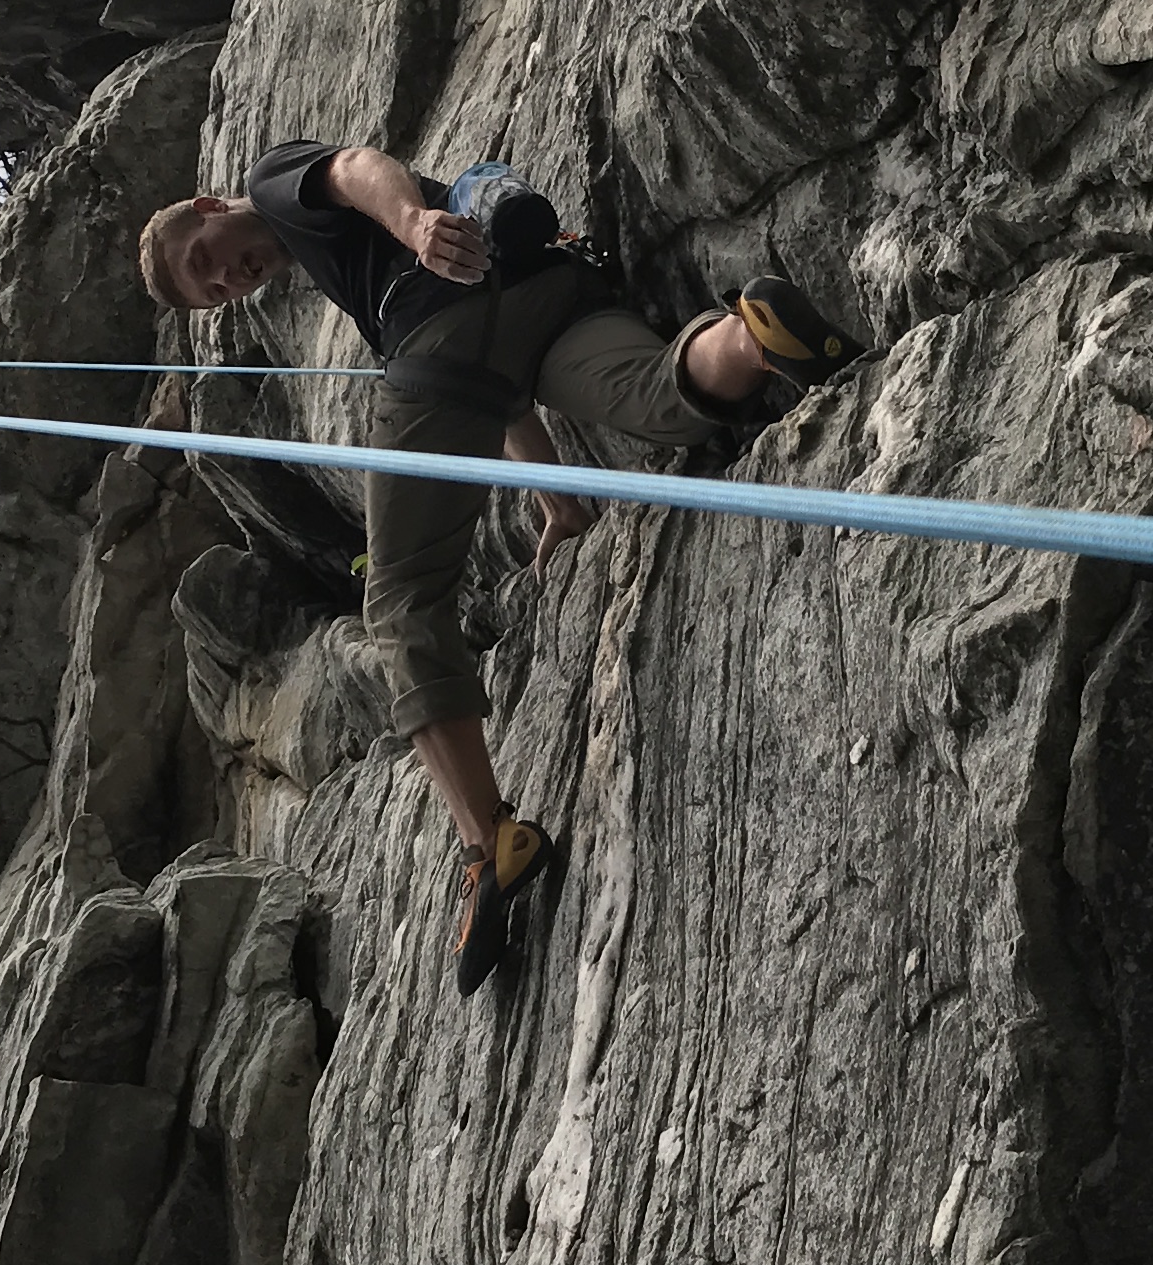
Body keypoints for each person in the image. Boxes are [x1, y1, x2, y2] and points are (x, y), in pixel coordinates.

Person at [137, 141, 859, 992]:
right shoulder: (333, 255)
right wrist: (555, 499)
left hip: (440, 323)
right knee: (661, 400)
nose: (229, 279)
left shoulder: (272, 183)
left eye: (206, 260)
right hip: (546, 290)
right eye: (213, 292)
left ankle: (489, 843)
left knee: (402, 600)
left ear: (212, 209)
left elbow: (355, 167)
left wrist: (409, 221)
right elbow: (500, 383)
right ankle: (754, 340)